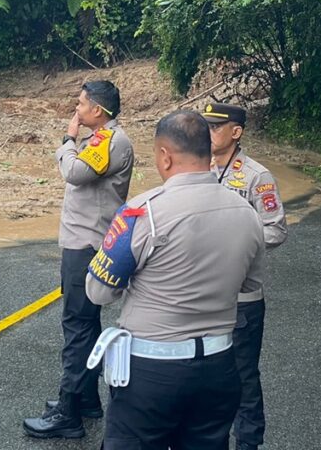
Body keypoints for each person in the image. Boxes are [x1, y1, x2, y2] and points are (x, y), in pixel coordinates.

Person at [86, 110, 266, 449]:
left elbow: (98, 291)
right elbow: (249, 285)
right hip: (219, 368)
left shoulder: (142, 213)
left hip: (152, 373)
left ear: (165, 156)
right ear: (207, 151)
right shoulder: (248, 214)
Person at [23, 80, 134, 439]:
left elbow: (74, 172)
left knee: (76, 327)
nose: (77, 109)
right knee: (85, 324)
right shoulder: (101, 139)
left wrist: (67, 141)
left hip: (87, 245)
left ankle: (68, 413)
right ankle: (86, 400)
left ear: (98, 111)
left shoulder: (109, 140)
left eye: (82, 104)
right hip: (83, 242)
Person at [201, 102, 286, 450]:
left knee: (243, 380)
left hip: (242, 300)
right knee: (206, 379)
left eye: (214, 128)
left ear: (235, 132)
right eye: (204, 127)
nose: (207, 134)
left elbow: (276, 230)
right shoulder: (198, 171)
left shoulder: (256, 177)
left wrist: (232, 243)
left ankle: (248, 444)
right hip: (204, 296)